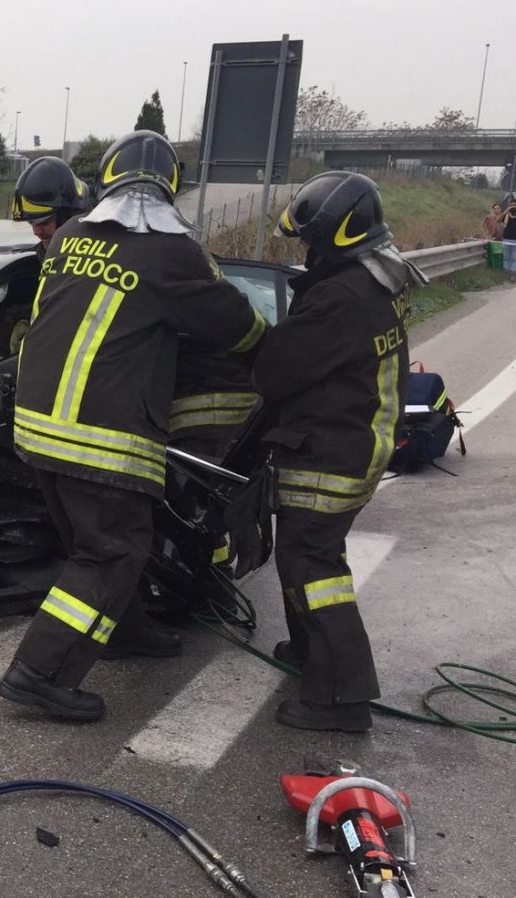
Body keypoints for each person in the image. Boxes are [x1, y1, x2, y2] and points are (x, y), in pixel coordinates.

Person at [0, 130, 268, 721]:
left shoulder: (68, 237)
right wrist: (272, 349)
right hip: (100, 435)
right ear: (172, 187)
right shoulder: (174, 253)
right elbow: (238, 328)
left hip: (37, 425)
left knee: (90, 545)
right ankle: (37, 674)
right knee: (113, 552)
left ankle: (125, 630)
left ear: (106, 182)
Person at [255, 170, 422, 733]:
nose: (306, 250)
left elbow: (274, 373)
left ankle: (343, 699)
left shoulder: (339, 297)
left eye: (312, 241)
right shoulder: (381, 277)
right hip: (360, 442)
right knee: (307, 556)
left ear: (338, 237)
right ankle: (310, 654)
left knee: (312, 567)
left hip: (331, 450)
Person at [10, 157, 95, 255]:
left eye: (44, 222)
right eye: (31, 222)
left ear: (68, 217)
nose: (36, 232)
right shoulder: (37, 256)